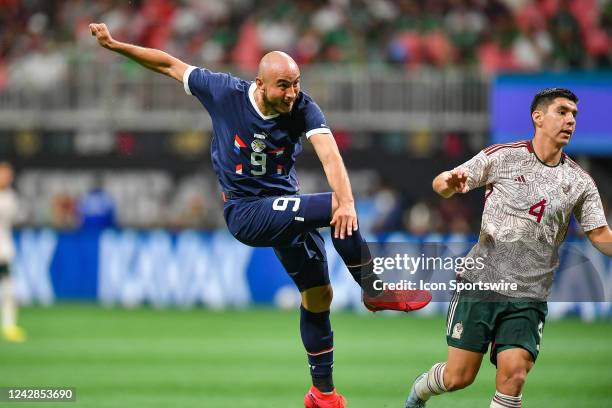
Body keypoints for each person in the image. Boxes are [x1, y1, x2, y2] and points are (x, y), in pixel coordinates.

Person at [89, 23, 431, 408]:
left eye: (296, 83)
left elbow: (329, 154)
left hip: (285, 209)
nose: (292, 93)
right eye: (283, 85)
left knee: (319, 295)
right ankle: (375, 289)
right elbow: (169, 64)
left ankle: (322, 393)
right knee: (337, 205)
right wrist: (115, 45)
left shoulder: (303, 108)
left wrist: (348, 200)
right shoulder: (223, 92)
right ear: (260, 84)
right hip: (247, 213)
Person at [404, 88, 612, 408]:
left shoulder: (579, 182)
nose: (570, 120)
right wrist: (448, 183)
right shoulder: (503, 156)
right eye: (562, 111)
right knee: (458, 377)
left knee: (514, 375)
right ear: (538, 117)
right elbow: (441, 183)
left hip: (529, 295)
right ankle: (420, 391)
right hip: (482, 285)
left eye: (574, 114)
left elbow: (600, 235)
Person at [0, 162, 25, 343]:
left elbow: (15, 220)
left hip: (3, 249)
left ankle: (9, 326)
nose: (5, 177)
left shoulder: (11, 197)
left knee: (9, 290)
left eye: (8, 174)